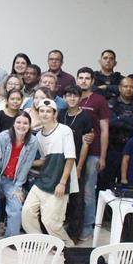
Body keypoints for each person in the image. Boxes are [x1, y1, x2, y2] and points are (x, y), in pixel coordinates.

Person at [21, 99, 78, 246]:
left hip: (59, 182)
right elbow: (44, 160)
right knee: (27, 213)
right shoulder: (38, 136)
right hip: (43, 181)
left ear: (55, 113)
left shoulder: (64, 130)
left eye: (48, 111)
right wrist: (25, 163)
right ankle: (41, 242)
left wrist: (62, 182)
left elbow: (70, 158)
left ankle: (67, 246)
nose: (45, 114)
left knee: (51, 222)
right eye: (41, 111)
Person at [0, 112, 38, 244]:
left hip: (12, 180)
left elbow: (26, 166)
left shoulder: (33, 142)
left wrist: (18, 187)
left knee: (16, 208)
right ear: (14, 123)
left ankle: (11, 239)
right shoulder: (4, 137)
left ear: (29, 126)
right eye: (18, 122)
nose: (21, 126)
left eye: (25, 123)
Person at [76, 67, 110, 240]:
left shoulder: (99, 100)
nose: (83, 81)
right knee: (74, 191)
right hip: (73, 153)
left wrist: (102, 156)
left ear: (92, 81)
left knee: (88, 192)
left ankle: (87, 227)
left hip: (93, 152)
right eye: (80, 77)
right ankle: (74, 223)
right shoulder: (72, 98)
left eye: (87, 78)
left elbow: (104, 130)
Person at [58, 85, 93, 240]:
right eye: (69, 95)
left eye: (75, 96)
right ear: (64, 97)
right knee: (60, 197)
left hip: (77, 161)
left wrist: (79, 167)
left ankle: (74, 234)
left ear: (80, 98)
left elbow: (86, 143)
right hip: (60, 161)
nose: (72, 99)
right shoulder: (61, 114)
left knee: (77, 199)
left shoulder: (85, 117)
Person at [102, 77, 133, 190]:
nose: (128, 89)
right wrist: (129, 120)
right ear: (119, 88)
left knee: (130, 184)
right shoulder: (110, 104)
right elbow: (109, 123)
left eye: (131, 87)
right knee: (105, 184)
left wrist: (121, 118)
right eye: (125, 86)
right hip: (113, 149)